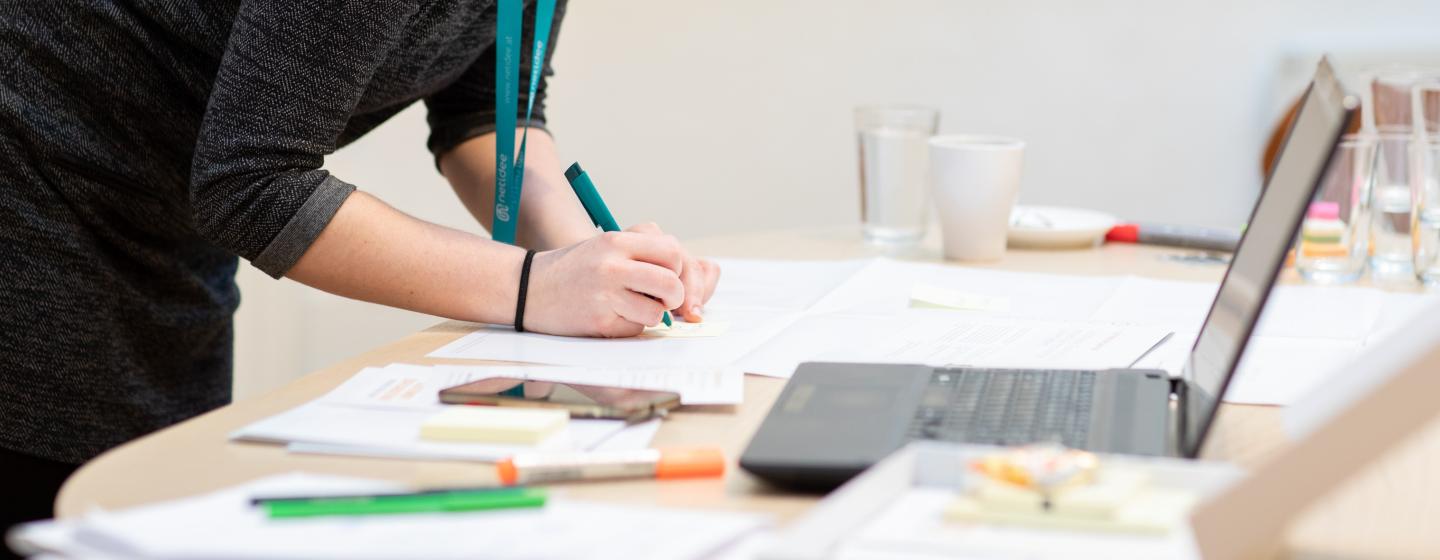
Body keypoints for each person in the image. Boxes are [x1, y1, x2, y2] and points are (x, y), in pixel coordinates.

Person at [0, 0, 720, 546]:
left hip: (163, 221)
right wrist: (538, 286)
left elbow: (487, 115)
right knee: (68, 508)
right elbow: (251, 184)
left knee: (135, 509)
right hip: (34, 190)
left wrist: (594, 263)